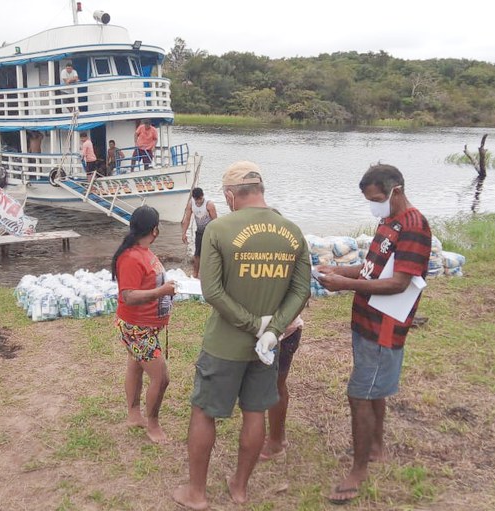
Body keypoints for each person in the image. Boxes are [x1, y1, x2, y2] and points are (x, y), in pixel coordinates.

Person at [172, 161, 312, 509]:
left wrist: (254, 325)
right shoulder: (292, 232)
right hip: (266, 349)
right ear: (261, 191)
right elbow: (302, 292)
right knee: (254, 413)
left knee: (205, 412)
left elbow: (212, 292)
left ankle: (197, 493)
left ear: (231, 195)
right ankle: (239, 487)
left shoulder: (220, 229)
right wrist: (273, 330)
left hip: (224, 344)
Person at [315, 163, 431, 505]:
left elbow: (399, 283)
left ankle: (358, 470)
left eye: (377, 198)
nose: (373, 205)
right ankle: (376, 446)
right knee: (373, 389)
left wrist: (345, 284)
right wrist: (335, 271)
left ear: (395, 190)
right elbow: (371, 270)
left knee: (360, 395)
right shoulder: (387, 222)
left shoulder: (415, 226)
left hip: (385, 327)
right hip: (365, 321)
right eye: (370, 200)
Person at [112, 206, 176, 444]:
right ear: (155, 230)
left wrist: (165, 291)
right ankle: (153, 424)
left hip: (145, 326)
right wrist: (161, 291)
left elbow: (147, 285)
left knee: (135, 365)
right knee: (161, 378)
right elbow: (127, 295)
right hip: (136, 328)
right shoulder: (130, 257)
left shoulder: (145, 252)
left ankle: (133, 415)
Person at [259, 315, 303, 461]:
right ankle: (278, 437)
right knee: (275, 384)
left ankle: (276, 443)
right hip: (273, 331)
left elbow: (300, 295)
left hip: (282, 333)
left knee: (276, 385)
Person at [180, 188, 218, 279]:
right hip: (200, 232)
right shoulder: (191, 203)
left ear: (202, 196)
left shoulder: (209, 204)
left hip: (210, 232)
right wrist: (184, 233)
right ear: (193, 198)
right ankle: (195, 274)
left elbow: (216, 222)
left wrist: (217, 236)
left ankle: (211, 275)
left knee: (211, 254)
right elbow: (187, 219)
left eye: (200, 199)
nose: (198, 201)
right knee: (197, 254)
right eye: (197, 200)